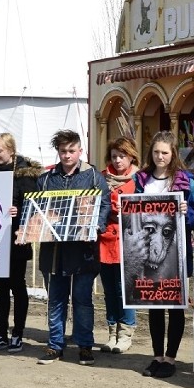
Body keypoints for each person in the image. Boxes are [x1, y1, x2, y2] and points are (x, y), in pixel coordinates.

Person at [134, 130, 194, 379]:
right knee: (154, 305)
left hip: (177, 252)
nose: (160, 157)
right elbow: (130, 211)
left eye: (164, 152)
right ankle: (156, 356)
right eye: (156, 152)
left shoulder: (186, 181)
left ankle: (170, 358)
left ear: (173, 153)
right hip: (148, 252)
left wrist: (187, 211)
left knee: (175, 305)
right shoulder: (141, 179)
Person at [36, 130, 111, 366]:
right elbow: (37, 209)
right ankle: (55, 345)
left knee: (82, 300)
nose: (67, 155)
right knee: (56, 300)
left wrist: (96, 225)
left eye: (71, 150)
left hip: (83, 251)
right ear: (58, 152)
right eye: (62, 151)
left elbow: (105, 204)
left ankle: (85, 345)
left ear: (80, 151)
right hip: (55, 251)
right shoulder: (46, 179)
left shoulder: (93, 177)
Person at [0, 133, 44, 354]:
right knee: (0, 287)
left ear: (11, 150)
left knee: (17, 285)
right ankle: (1, 334)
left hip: (17, 239)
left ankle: (18, 333)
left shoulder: (25, 176)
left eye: (0, 151)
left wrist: (20, 212)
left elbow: (35, 206)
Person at [98, 137, 140, 354]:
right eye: (114, 156)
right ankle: (112, 331)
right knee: (108, 289)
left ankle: (126, 333)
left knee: (125, 289)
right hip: (105, 239)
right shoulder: (102, 178)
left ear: (131, 155)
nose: (117, 160)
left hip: (129, 239)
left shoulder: (139, 180)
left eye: (122, 156)